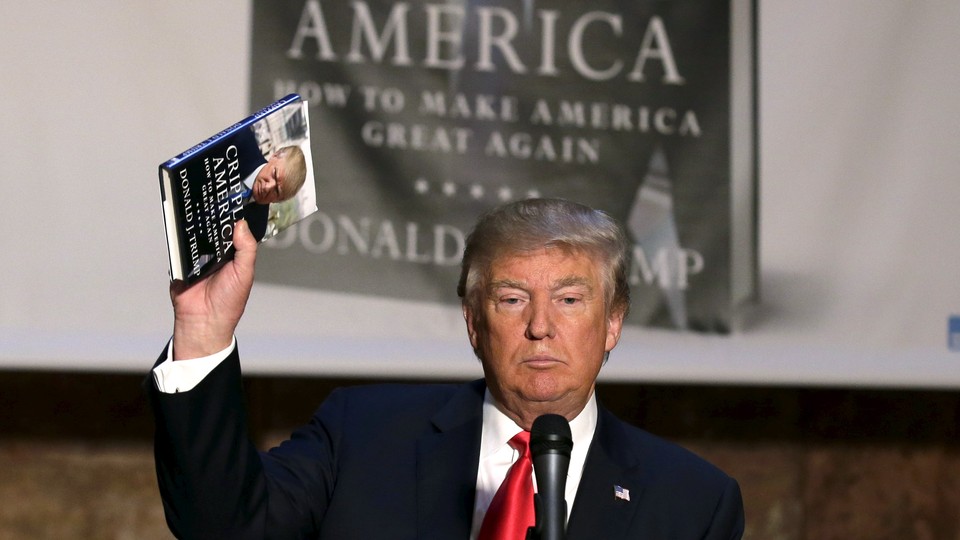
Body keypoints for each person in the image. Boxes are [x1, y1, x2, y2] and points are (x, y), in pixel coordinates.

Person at [149, 198, 744, 539]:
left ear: (613, 322)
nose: (541, 326)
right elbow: (223, 529)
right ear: (473, 322)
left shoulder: (693, 503)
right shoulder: (362, 434)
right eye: (512, 299)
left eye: (569, 300)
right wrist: (203, 333)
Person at [237, 144, 307, 241]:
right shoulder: (239, 141)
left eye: (277, 191)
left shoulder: (256, 230)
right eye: (274, 174)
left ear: (278, 201)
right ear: (275, 155)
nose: (267, 187)